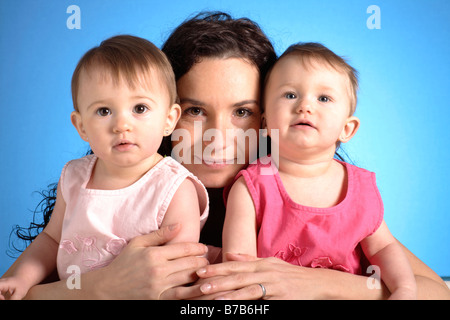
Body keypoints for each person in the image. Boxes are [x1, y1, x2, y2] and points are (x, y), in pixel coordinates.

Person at [10, 12, 449, 300]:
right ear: (166, 114)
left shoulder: (311, 200)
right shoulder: (115, 193)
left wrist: (314, 282)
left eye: (243, 112)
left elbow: (437, 291)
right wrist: (101, 288)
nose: (219, 137)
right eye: (197, 111)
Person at [0, 35, 208, 300]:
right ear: (81, 126)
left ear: (169, 119)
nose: (122, 124)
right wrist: (21, 279)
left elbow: (179, 269)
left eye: (139, 108)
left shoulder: (175, 187)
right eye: (103, 111)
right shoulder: (75, 176)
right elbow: (52, 240)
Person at [222, 43, 416, 299]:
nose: (304, 105)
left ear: (347, 129)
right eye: (290, 95)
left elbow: (383, 248)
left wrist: (404, 289)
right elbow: (239, 264)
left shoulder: (359, 187)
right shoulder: (252, 187)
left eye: (323, 98)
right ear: (266, 123)